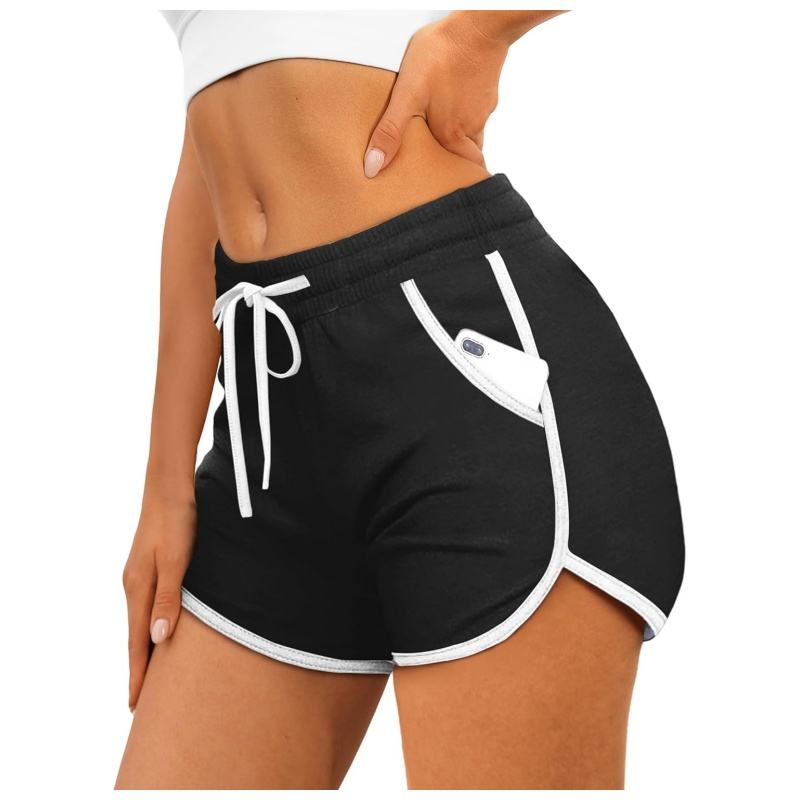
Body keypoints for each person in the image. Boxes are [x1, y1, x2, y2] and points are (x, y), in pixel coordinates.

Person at [115, 9, 684, 789]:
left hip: (464, 379)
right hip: (268, 430)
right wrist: (166, 487)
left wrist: (485, 30)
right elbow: (211, 146)